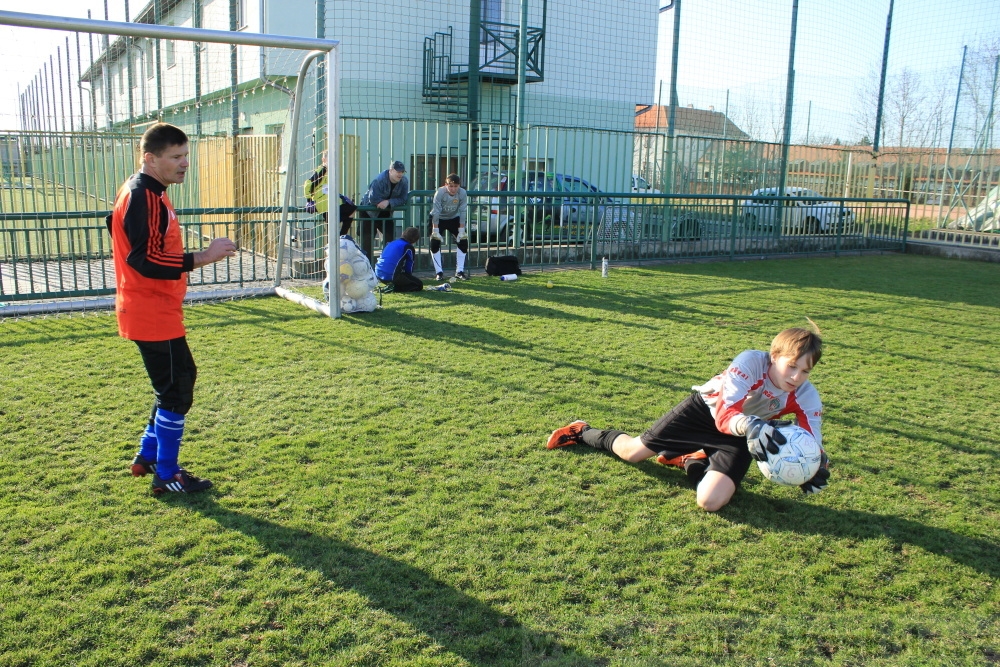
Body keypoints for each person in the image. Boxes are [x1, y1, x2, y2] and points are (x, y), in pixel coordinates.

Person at [545, 326, 830, 512]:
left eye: (805, 371)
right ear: (774, 356)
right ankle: (582, 431)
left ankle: (691, 459)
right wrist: (751, 425)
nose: (796, 377)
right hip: (704, 413)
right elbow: (725, 412)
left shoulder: (806, 396)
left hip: (742, 436)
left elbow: (812, 442)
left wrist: (814, 466)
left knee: (710, 502)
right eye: (791, 366)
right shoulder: (751, 363)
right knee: (632, 453)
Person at [107, 122, 238, 496]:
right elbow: (143, 260)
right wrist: (205, 256)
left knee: (173, 385)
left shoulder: (153, 193)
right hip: (149, 311)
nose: (184, 164)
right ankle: (166, 474)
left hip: (155, 307)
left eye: (186, 156)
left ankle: (148, 456)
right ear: (151, 158)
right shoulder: (142, 194)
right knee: (178, 389)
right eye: (176, 157)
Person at [359, 160, 409, 260]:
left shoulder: (404, 181)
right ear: (391, 171)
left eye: (402, 172)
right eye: (398, 171)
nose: (400, 174)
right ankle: (367, 267)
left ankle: (387, 263)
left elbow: (403, 199)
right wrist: (384, 202)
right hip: (369, 212)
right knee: (367, 242)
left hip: (386, 211)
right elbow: (372, 198)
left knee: (389, 239)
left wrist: (388, 202)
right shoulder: (379, 180)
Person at [303, 150, 358, 238]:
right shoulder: (322, 170)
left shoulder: (329, 171)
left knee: (333, 224)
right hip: (324, 204)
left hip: (329, 203)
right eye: (330, 159)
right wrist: (309, 201)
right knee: (351, 209)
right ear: (324, 159)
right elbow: (308, 183)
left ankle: (338, 239)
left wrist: (341, 196)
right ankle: (341, 238)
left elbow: (326, 188)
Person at [428, 173, 469, 281]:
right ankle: (439, 273)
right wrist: (435, 230)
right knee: (435, 243)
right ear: (446, 185)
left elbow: (463, 211)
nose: (453, 189)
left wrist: (461, 230)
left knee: (463, 242)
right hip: (438, 219)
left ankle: (459, 271)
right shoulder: (440, 192)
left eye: (456, 186)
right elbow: (436, 211)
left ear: (459, 185)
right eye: (451, 186)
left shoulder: (462, 193)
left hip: (454, 218)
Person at [374, 226, 423, 292]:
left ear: (403, 233)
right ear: (415, 240)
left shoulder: (391, 243)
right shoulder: (408, 247)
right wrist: (408, 277)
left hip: (378, 274)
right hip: (391, 276)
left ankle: (392, 285)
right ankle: (394, 288)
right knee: (418, 285)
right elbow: (409, 266)